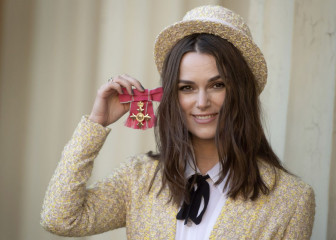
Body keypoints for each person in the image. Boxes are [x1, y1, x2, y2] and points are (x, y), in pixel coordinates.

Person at [40, 5, 315, 239]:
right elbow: (60, 218)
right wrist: (96, 124)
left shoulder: (292, 199)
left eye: (217, 85)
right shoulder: (140, 178)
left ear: (241, 91)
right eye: (187, 88)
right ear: (172, 95)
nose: (202, 102)